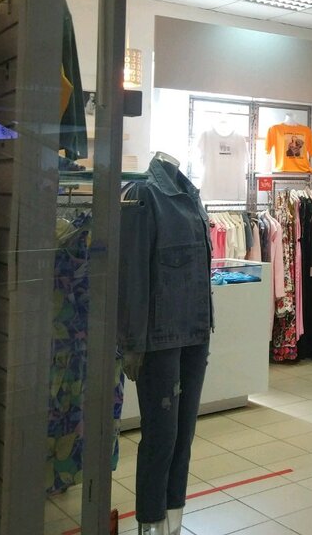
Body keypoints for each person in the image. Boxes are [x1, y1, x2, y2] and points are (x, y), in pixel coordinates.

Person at [119, 151, 213, 535]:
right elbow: (132, 272)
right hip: (159, 338)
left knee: (184, 436)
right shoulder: (143, 195)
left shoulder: (192, 197)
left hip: (196, 332)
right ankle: (150, 521)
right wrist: (132, 341)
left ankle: (174, 520)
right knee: (161, 437)